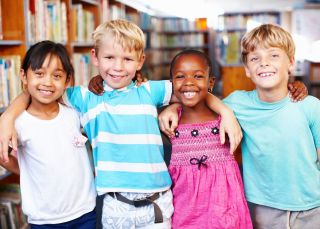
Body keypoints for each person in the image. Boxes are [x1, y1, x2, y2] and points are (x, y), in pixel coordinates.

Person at [0, 19, 242, 228]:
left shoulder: (148, 90)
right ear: (94, 57)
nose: (117, 67)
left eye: (127, 59)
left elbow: (191, 90)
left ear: (140, 61)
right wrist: (8, 117)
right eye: (109, 58)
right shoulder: (84, 97)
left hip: (158, 202)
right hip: (114, 205)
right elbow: (41, 90)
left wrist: (225, 112)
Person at [159, 24, 320, 229]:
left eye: (273, 56)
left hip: (312, 208)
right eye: (255, 59)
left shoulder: (311, 107)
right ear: (247, 69)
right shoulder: (236, 104)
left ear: (290, 63)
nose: (264, 63)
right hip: (262, 208)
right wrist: (174, 106)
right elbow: (199, 98)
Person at [0, 41, 97, 228]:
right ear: (23, 76)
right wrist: (27, 172)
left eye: (57, 76)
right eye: (39, 74)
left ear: (68, 80)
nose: (47, 82)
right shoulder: (19, 123)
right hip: (44, 219)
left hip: (86, 212)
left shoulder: (73, 112)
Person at [167, 49, 253, 228]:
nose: (189, 82)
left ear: (210, 82)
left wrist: (295, 86)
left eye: (198, 76)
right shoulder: (170, 123)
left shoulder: (226, 120)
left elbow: (268, 99)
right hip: (185, 214)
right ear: (171, 84)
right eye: (180, 76)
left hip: (225, 213)